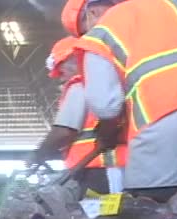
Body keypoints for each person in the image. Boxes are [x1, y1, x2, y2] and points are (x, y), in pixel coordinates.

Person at [61, 0, 177, 202]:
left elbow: (106, 107)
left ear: (91, 13)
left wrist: (109, 127)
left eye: (83, 32)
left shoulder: (100, 35)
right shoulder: (173, 4)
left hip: (157, 134)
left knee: (157, 215)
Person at [28, 36, 127, 195]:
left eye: (61, 68)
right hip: (107, 168)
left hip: (99, 171)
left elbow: (64, 131)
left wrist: (38, 154)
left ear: (75, 58)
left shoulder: (80, 85)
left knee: (100, 217)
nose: (61, 76)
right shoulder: (111, 85)